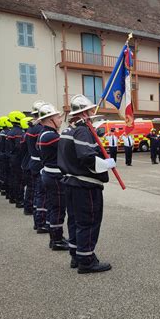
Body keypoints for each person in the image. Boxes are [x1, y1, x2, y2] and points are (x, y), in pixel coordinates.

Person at [58, 94, 116, 273]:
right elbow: (86, 156)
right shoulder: (83, 130)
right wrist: (105, 164)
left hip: (71, 183)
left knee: (75, 221)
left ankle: (77, 255)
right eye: (90, 110)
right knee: (89, 221)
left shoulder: (68, 130)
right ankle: (86, 261)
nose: (93, 112)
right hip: (85, 184)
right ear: (84, 113)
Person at [36, 103, 69, 251]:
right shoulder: (50, 135)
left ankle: (55, 237)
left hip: (50, 174)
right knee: (58, 208)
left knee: (54, 207)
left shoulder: (46, 133)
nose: (60, 119)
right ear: (50, 120)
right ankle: (56, 240)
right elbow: (68, 147)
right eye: (57, 117)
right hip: (54, 176)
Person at [26, 101, 48, 233]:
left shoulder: (31, 128)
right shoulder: (40, 129)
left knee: (37, 193)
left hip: (33, 163)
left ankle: (37, 221)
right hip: (39, 164)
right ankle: (40, 222)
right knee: (42, 195)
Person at [6, 110, 26, 207]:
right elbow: (19, 147)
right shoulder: (18, 132)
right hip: (18, 158)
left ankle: (12, 197)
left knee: (13, 177)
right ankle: (19, 200)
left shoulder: (10, 132)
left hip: (11, 157)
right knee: (19, 179)